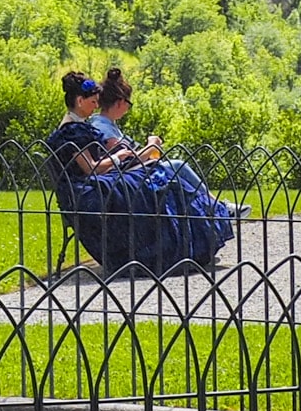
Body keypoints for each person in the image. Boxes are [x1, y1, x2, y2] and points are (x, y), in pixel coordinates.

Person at [44, 68, 242, 276]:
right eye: (93, 102)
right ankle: (175, 244)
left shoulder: (77, 126)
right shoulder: (71, 131)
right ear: (79, 100)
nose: (95, 106)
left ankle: (198, 229)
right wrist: (118, 157)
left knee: (158, 176)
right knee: (157, 180)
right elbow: (91, 167)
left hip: (94, 184)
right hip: (87, 193)